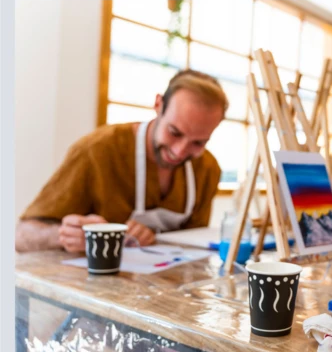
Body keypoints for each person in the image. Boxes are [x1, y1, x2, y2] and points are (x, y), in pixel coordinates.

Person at [16, 69, 227, 253]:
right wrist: (62, 236)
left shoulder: (207, 169)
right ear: (158, 105)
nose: (179, 151)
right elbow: (21, 236)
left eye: (198, 143)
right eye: (174, 132)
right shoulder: (97, 151)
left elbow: (195, 246)